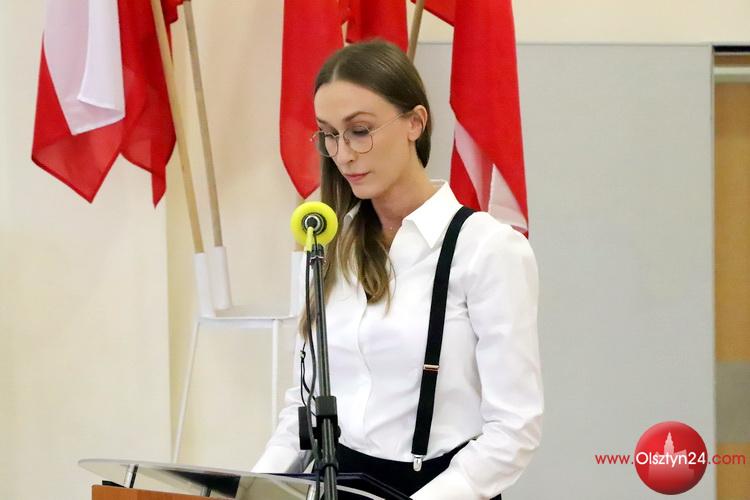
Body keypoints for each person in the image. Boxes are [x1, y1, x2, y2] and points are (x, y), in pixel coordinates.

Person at [253, 39, 543, 500]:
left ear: (415, 122)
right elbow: (301, 409)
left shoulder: (487, 249)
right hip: (338, 484)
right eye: (329, 134)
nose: (343, 154)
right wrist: (251, 488)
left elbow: (514, 429)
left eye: (359, 131)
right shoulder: (326, 246)